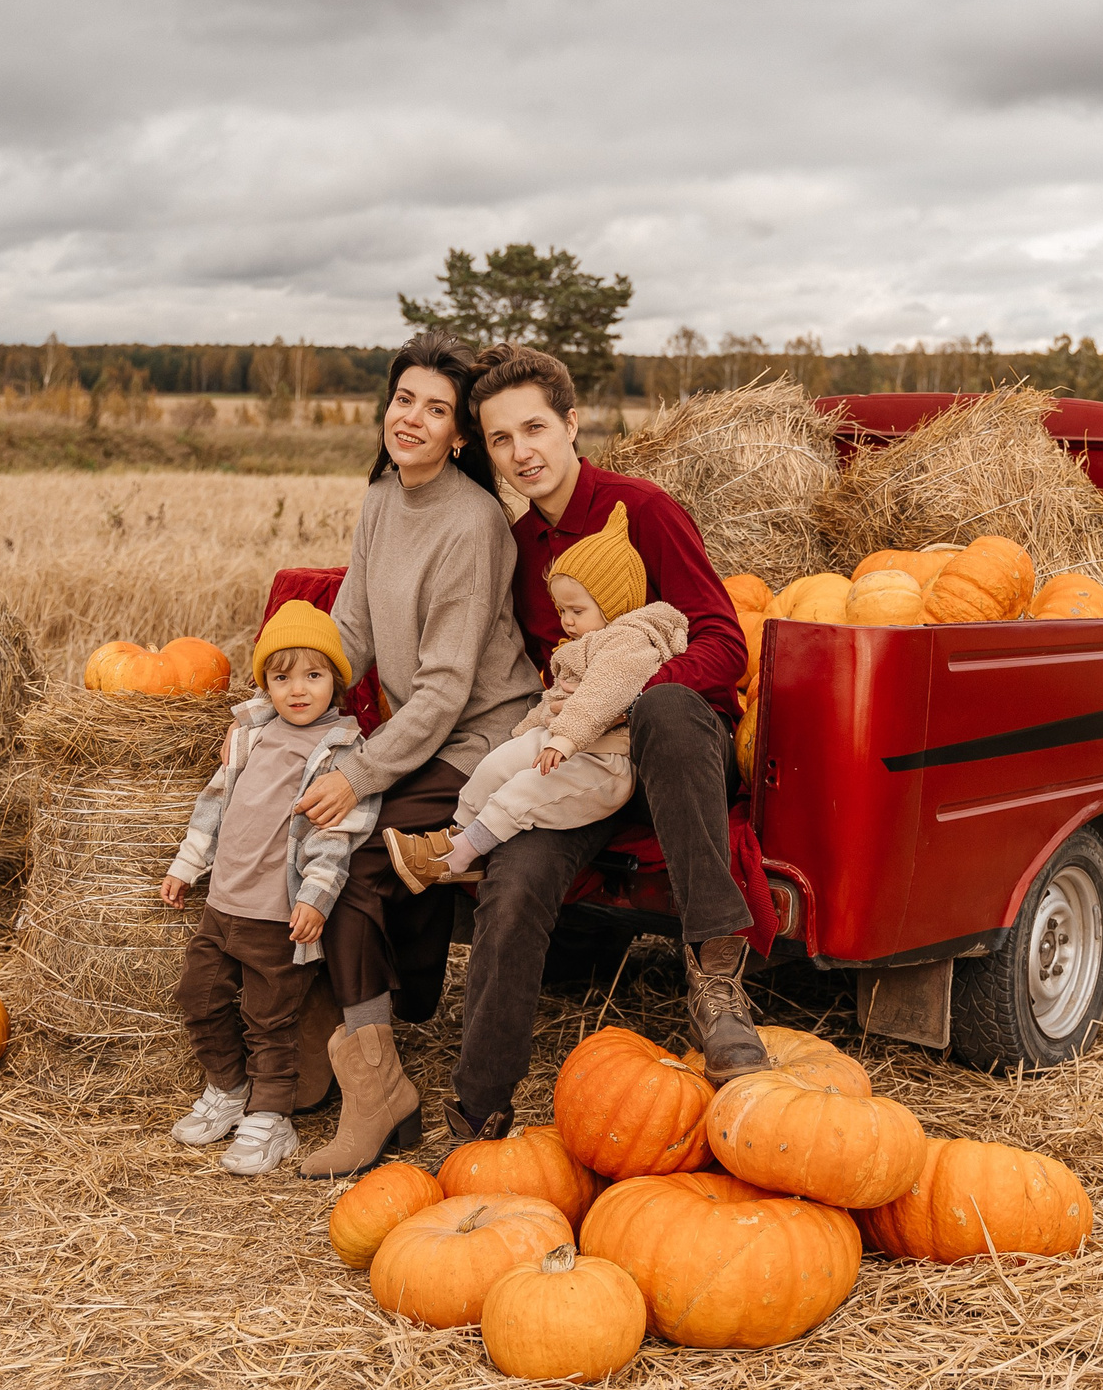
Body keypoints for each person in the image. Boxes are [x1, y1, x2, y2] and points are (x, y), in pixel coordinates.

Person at [444, 344, 759, 1144]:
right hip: (578, 764)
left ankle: (717, 979)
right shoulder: (520, 554)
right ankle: (479, 1106)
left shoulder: (643, 510)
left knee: (666, 708)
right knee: (512, 881)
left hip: (673, 750)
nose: (524, 452)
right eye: (503, 439)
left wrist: (626, 698)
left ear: (572, 423)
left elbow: (725, 641)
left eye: (537, 428)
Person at [295, 330, 542, 1177]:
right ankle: (372, 1057)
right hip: (430, 731)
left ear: (460, 435)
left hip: (484, 739)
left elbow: (441, 692)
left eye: (437, 409)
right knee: (329, 828)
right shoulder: (379, 500)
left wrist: (356, 771)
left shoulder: (472, 525)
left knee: (356, 844)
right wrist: (281, 704)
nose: (413, 419)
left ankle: (376, 1090)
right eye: (405, 400)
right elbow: (354, 634)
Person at [159, 600, 379, 1177]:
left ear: (337, 680)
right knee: (199, 998)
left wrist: (314, 899)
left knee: (269, 1020)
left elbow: (338, 837)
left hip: (275, 915)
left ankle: (271, 1117)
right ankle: (229, 1088)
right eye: (282, 678)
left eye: (314, 674)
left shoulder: (342, 752)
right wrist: (187, 866)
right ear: (266, 685)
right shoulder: (250, 737)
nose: (298, 690)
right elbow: (214, 807)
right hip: (222, 906)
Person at [383, 503, 688, 889]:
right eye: (561, 609)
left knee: (522, 793)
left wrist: (564, 738)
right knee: (495, 766)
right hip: (565, 743)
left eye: (577, 609)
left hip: (604, 761)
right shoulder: (586, 643)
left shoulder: (629, 641)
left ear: (614, 605)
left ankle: (458, 857)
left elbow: (602, 693)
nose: (567, 620)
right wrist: (527, 732)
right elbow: (552, 701)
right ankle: (455, 835)